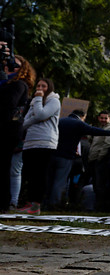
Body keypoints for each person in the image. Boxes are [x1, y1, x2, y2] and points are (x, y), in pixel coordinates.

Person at [46, 109, 110, 209]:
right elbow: (93, 130)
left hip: (53, 154)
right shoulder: (79, 123)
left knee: (50, 180)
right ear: (83, 116)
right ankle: (54, 204)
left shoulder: (60, 121)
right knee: (60, 182)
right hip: (66, 157)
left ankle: (45, 202)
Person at [17, 78, 61, 215]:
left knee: (39, 174)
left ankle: (36, 205)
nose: (40, 88)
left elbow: (41, 114)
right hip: (30, 142)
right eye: (38, 86)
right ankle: (29, 202)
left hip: (45, 142)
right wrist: (36, 115)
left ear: (50, 87)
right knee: (29, 174)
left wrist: (38, 103)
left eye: (44, 86)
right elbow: (25, 122)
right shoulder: (34, 101)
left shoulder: (54, 100)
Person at [0, 55, 36, 212]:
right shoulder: (8, 83)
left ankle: (4, 202)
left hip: (8, 131)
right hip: (7, 129)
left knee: (4, 167)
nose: (9, 66)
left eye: (14, 64)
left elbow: (7, 105)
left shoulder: (19, 84)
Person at [87, 110, 110, 211]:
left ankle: (101, 207)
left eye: (105, 118)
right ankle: (98, 206)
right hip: (95, 159)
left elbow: (107, 145)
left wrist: (100, 157)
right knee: (96, 184)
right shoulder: (100, 128)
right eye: (101, 118)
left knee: (100, 185)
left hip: (101, 160)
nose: (103, 120)